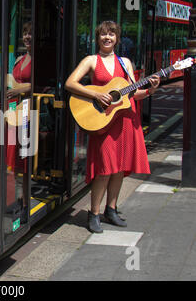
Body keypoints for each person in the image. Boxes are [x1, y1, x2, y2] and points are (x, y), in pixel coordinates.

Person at [65, 21, 160, 233]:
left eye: (112, 34)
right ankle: (94, 213)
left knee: (120, 168)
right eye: (103, 34)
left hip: (126, 120)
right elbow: (70, 83)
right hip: (104, 122)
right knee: (105, 169)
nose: (107, 38)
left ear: (117, 38)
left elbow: (132, 93)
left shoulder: (125, 62)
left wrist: (150, 91)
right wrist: (96, 94)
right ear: (97, 38)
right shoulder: (91, 60)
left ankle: (112, 209)